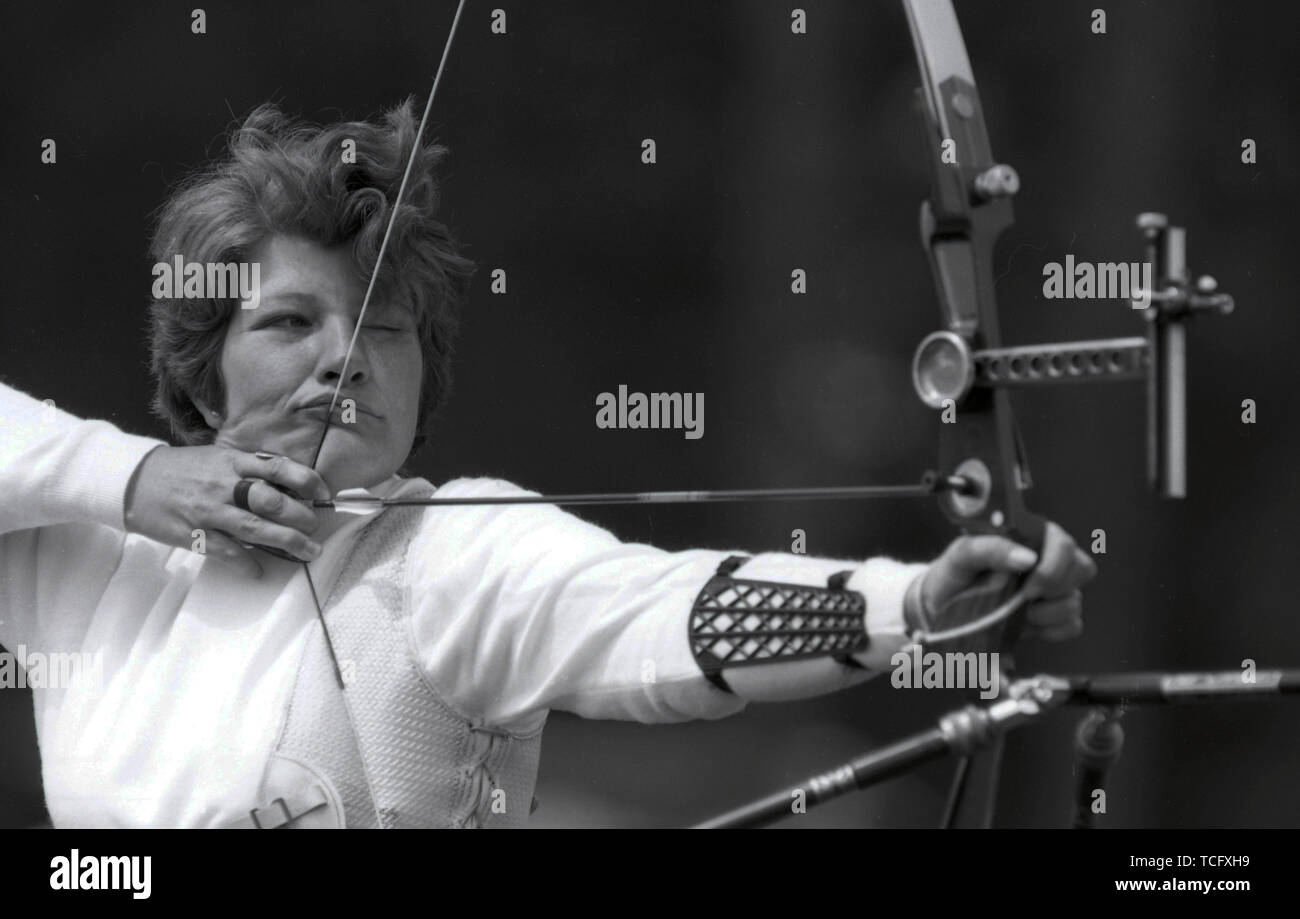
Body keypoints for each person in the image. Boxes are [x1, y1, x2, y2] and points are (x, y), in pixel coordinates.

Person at [0, 100, 1094, 828]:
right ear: (201, 374)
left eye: (385, 329)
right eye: (290, 321)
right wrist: (136, 479)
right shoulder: (87, 550)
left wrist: (912, 601)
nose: (345, 356)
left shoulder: (448, 554)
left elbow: (657, 611)